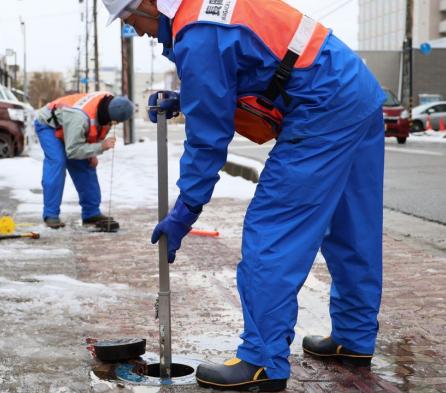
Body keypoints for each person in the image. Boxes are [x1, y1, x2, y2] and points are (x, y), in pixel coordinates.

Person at [103, 0, 385, 391]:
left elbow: (207, 141)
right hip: (354, 88)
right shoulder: (205, 12)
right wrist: (191, 99)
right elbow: (248, 67)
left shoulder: (198, 31)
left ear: (149, 3)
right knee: (352, 226)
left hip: (321, 105)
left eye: (131, 18)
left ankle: (262, 361)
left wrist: (185, 211)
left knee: (274, 228)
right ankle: (354, 337)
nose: (135, 29)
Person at [34, 91, 134, 231]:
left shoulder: (108, 106)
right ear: (110, 116)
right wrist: (100, 147)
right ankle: (51, 215)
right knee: (58, 162)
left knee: (86, 165)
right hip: (49, 126)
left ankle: (91, 213)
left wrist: (92, 153)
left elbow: (94, 132)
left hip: (70, 128)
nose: (114, 125)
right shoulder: (79, 117)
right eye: (114, 122)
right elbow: (73, 151)